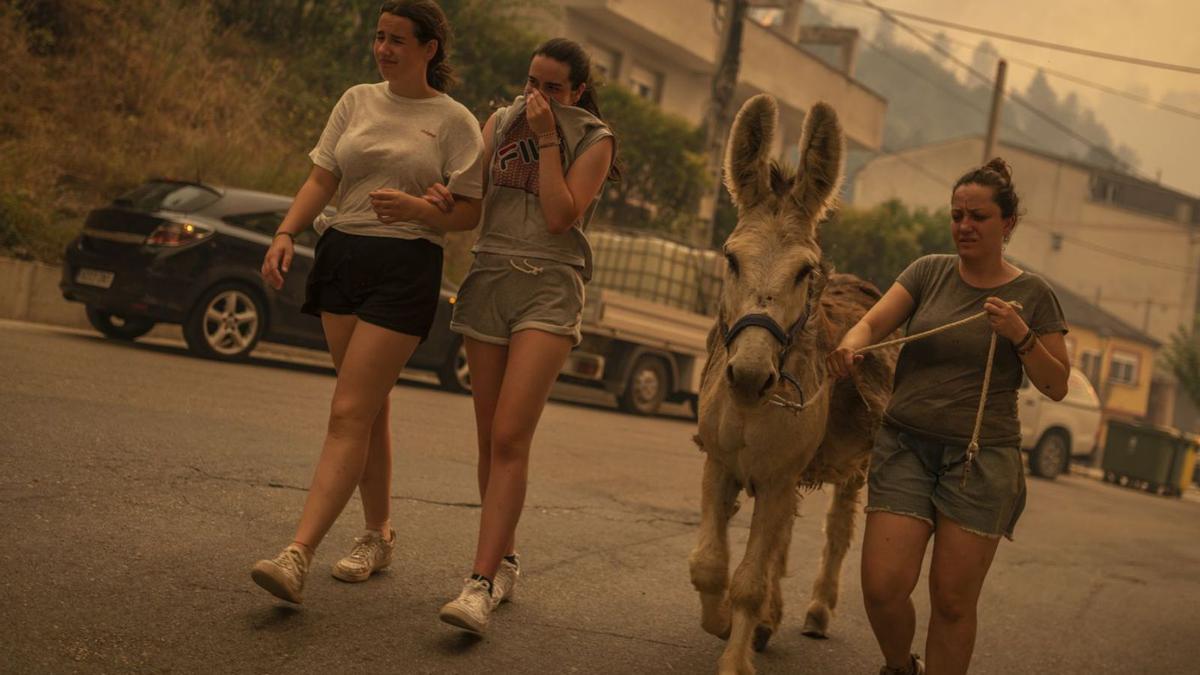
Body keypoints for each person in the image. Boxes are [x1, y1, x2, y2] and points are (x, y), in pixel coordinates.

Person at [249, 0, 484, 604]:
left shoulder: (454, 120)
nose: (384, 49)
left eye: (398, 40)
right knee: (369, 408)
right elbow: (322, 178)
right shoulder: (355, 99)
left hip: (405, 265)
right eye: (380, 37)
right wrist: (285, 233)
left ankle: (296, 553)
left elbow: (471, 210)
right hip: (342, 256)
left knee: (348, 411)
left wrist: (420, 210)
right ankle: (378, 534)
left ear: (430, 48)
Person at [827, 158, 1070, 675]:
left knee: (953, 604)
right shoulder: (929, 272)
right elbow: (871, 324)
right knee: (882, 586)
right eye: (957, 214)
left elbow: (1057, 385)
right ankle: (899, 665)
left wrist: (1020, 336)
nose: (964, 225)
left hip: (980, 462)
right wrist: (851, 345)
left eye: (978, 216)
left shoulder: (1033, 296)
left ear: (1008, 224)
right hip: (905, 448)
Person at [420, 38, 617, 634]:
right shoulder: (501, 120)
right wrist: (440, 196)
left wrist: (550, 136)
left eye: (552, 87)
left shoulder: (594, 138)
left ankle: (478, 584)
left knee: (510, 436)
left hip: (549, 286)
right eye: (532, 81)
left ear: (577, 91)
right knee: (489, 439)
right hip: (490, 277)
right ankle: (503, 560)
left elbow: (561, 215)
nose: (537, 95)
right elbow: (469, 198)